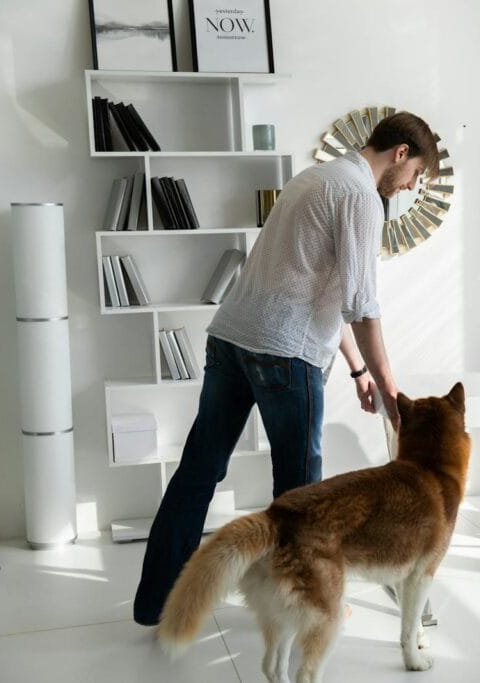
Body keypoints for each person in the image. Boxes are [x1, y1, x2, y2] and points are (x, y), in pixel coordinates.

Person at [133, 112, 440, 625]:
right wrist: (392, 395)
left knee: (198, 471)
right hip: (283, 353)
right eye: (414, 177)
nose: (409, 187)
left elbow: (323, 289)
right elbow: (363, 305)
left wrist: (359, 371)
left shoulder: (314, 178)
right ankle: (298, 610)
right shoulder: (362, 196)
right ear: (401, 153)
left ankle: (156, 604)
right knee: (302, 497)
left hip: (232, 337)